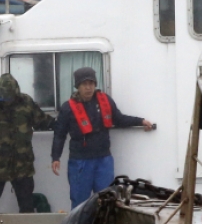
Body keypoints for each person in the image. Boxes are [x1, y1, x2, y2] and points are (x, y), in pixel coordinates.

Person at [51, 67, 155, 209]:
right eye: (84, 84)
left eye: (91, 83)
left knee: (107, 200)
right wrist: (55, 157)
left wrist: (140, 121)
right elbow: (59, 134)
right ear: (78, 87)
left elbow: (119, 119)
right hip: (80, 162)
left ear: (95, 84)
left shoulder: (105, 101)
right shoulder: (67, 108)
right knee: (79, 203)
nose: (88, 88)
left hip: (103, 160)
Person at [0, 73, 55, 213]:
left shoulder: (26, 102)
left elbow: (41, 121)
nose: (5, 101)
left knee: (26, 206)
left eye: (8, 97)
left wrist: (61, 125)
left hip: (22, 165)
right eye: (2, 97)